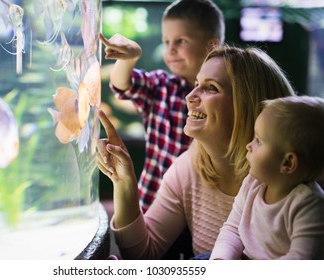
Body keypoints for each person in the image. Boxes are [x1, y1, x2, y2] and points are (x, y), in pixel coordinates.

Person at [97, 45, 295, 259]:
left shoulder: (289, 181)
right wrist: (123, 183)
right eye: (197, 84)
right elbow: (143, 254)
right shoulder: (188, 167)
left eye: (211, 88)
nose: (190, 96)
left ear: (247, 106)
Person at [99, 0, 225, 212]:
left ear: (211, 45)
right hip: (155, 203)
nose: (170, 50)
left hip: (204, 209)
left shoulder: (226, 96)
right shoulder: (161, 86)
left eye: (180, 41)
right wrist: (129, 59)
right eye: (166, 42)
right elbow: (121, 85)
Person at [210, 96, 324, 260]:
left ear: (287, 163)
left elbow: (300, 261)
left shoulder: (309, 206)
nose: (249, 146)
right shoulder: (252, 184)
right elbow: (233, 229)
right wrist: (221, 260)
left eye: (258, 141)